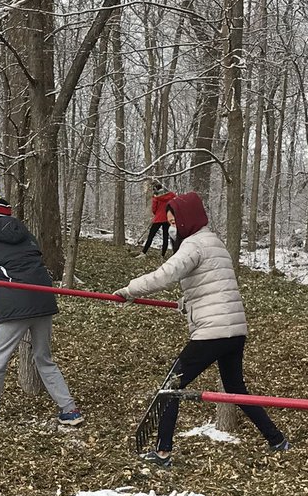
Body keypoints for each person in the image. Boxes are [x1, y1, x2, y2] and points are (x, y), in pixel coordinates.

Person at [115, 191, 288, 466]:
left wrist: (129, 290)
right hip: (234, 330)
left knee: (171, 386)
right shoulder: (213, 242)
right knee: (235, 388)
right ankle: (276, 438)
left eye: (174, 223)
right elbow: (212, 286)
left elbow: (165, 275)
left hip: (213, 332)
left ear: (187, 220)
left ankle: (162, 452)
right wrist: (187, 303)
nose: (171, 228)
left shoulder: (193, 245)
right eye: (169, 223)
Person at [0, 196, 84, 427]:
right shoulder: (28, 238)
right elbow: (18, 272)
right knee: (44, 358)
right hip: (43, 302)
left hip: (18, 308)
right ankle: (69, 410)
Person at [139, 181, 176, 256]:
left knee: (151, 236)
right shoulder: (171, 195)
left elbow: (154, 209)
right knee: (165, 237)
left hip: (158, 218)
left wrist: (157, 213)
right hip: (167, 219)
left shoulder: (156, 197)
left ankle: (144, 252)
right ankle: (163, 254)